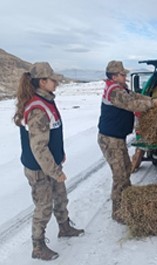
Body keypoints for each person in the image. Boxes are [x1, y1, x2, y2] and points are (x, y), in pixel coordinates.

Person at [13, 62, 84, 261]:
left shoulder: (46, 101)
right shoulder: (37, 108)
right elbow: (38, 147)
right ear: (42, 82)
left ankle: (64, 227)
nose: (56, 83)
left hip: (50, 164)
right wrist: (55, 170)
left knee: (61, 197)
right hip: (40, 169)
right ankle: (38, 246)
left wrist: (59, 155)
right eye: (53, 80)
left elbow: (51, 134)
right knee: (43, 207)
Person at [97, 60, 157, 223]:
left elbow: (135, 96)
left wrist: (151, 99)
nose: (125, 76)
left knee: (126, 169)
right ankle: (118, 212)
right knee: (120, 176)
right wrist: (151, 104)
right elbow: (132, 104)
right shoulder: (114, 91)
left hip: (117, 138)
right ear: (114, 76)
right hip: (110, 140)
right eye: (122, 74)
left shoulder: (121, 88)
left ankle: (126, 202)